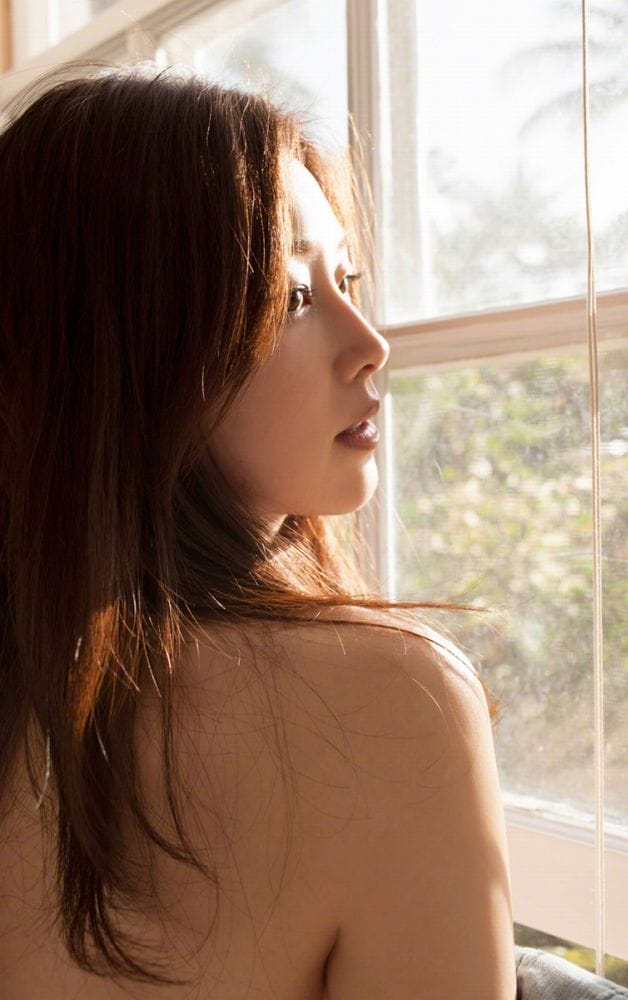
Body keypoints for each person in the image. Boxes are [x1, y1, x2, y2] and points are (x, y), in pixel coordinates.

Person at [0, 64, 516, 997]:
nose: (370, 344)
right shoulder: (390, 704)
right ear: (127, 351)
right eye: (292, 299)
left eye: (347, 279)